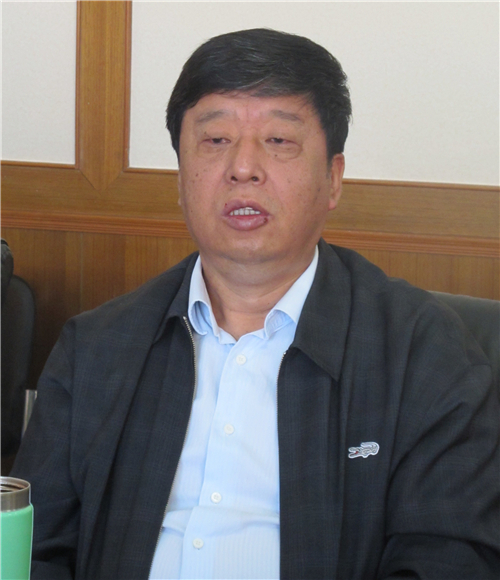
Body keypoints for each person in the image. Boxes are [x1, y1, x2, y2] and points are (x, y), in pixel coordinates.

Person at [11, 28, 499, 580]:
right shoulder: (96, 347)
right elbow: (31, 550)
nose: (243, 167)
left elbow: (447, 560)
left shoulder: (423, 351)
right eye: (216, 139)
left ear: (333, 179)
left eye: (279, 140)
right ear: (180, 178)